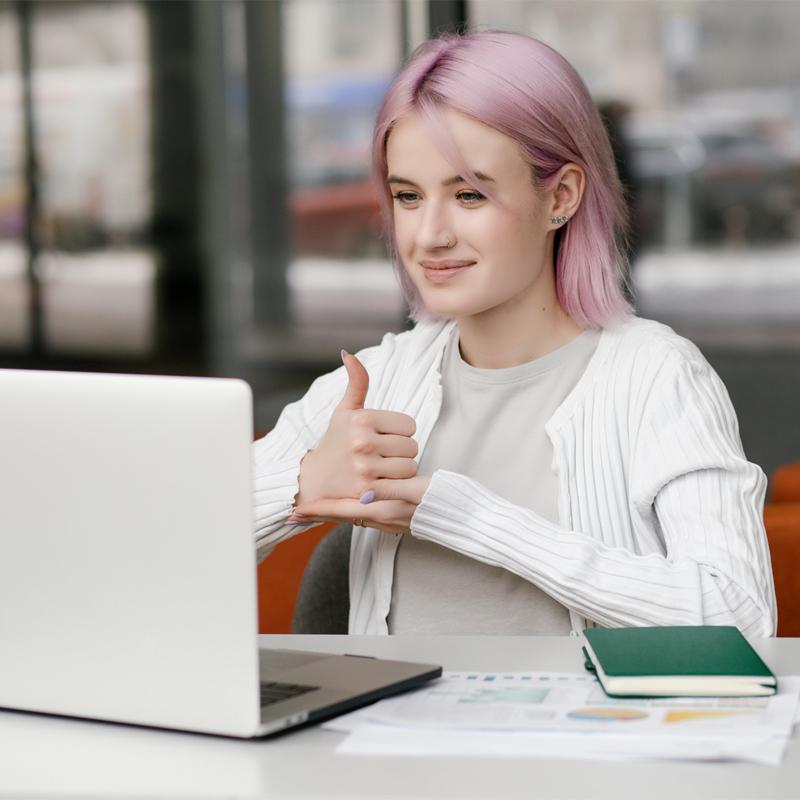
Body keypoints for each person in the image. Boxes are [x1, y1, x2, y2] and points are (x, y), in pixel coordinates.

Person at [253, 31, 776, 637]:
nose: (429, 236)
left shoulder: (656, 376)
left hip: (595, 733)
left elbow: (741, 615)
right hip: (397, 733)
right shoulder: (380, 380)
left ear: (562, 195)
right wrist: (302, 486)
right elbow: (159, 545)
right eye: (408, 196)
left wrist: (466, 517)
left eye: (469, 194)